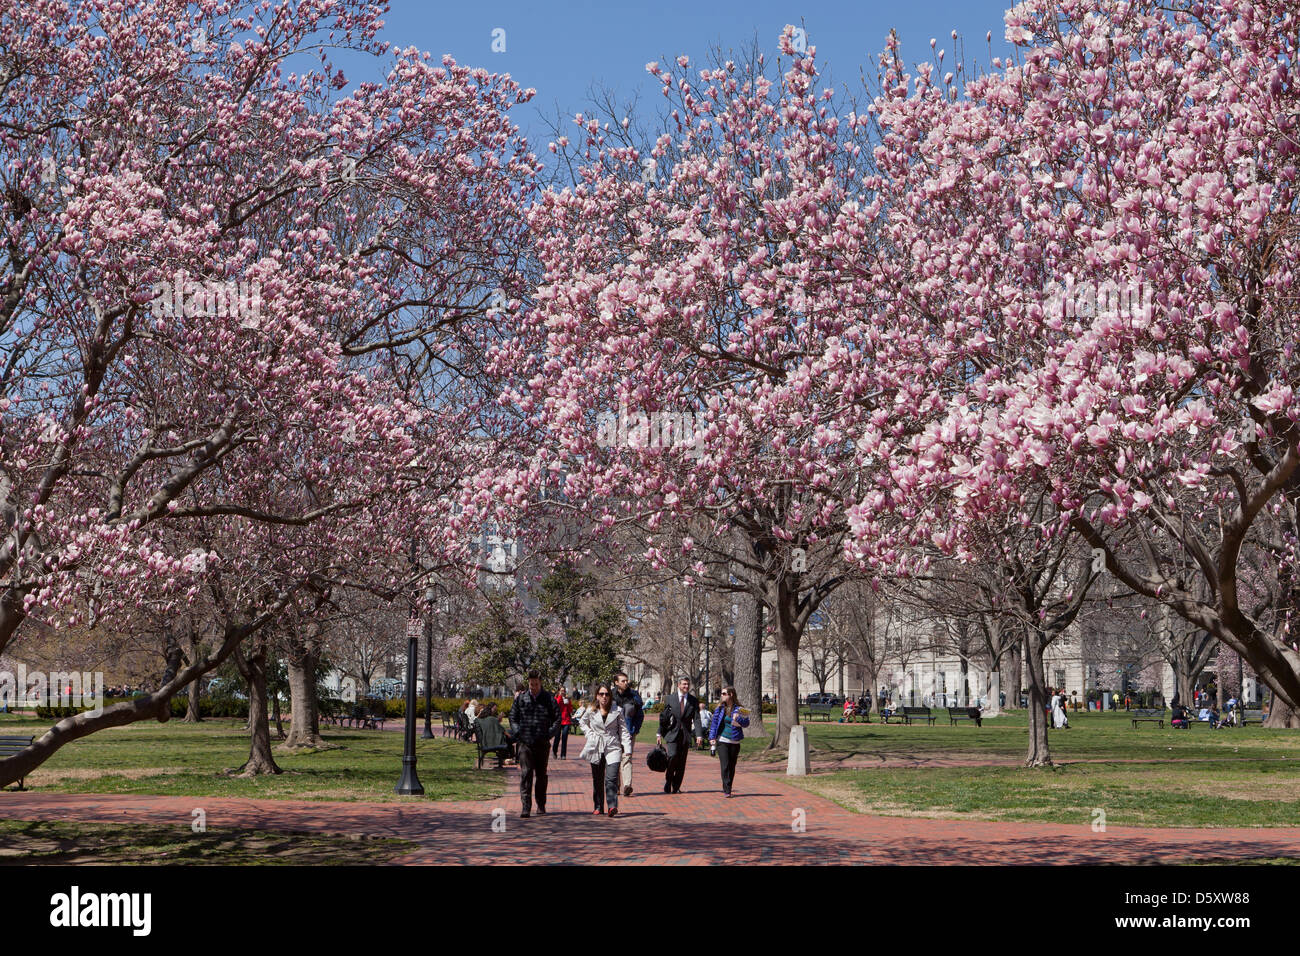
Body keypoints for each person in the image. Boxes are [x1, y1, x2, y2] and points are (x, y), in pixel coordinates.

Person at [508, 670, 560, 818]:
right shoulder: (521, 698)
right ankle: (526, 806)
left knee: (541, 775)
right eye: (531, 684)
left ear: (540, 682)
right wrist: (518, 732)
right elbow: (513, 716)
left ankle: (541, 804)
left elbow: (557, 719)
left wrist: (548, 734)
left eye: (536, 684)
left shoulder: (548, 698)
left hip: (542, 743)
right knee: (526, 773)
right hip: (525, 743)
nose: (534, 687)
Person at [580, 683, 634, 816]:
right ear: (597, 696)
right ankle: (598, 806)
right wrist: (589, 734)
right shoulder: (591, 709)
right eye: (601, 694)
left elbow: (623, 730)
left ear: (610, 696)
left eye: (607, 694)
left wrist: (627, 748)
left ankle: (612, 806)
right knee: (597, 779)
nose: (604, 697)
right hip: (596, 746)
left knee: (611, 778)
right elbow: (582, 722)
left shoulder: (617, 710)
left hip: (612, 747)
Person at [657, 676, 701, 794]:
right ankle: (668, 780)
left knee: (681, 762)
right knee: (672, 756)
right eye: (684, 684)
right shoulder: (670, 699)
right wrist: (659, 732)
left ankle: (676, 786)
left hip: (685, 735)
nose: (686, 686)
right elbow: (664, 717)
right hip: (672, 733)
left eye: (687, 684)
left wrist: (699, 735)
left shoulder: (693, 700)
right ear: (678, 685)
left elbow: (696, 719)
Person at [708, 686, 750, 797]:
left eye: (724, 693)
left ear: (731, 694)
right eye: (722, 693)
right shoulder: (720, 708)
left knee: (732, 766)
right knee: (725, 765)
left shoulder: (740, 709)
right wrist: (712, 738)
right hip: (722, 740)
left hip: (735, 742)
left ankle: (729, 786)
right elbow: (714, 724)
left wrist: (738, 718)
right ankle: (727, 789)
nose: (721, 695)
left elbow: (746, 723)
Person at [611, 671, 644, 796]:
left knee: (627, 757)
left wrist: (635, 729)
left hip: (629, 732)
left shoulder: (634, 695)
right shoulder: (610, 695)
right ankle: (616, 786)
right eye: (623, 681)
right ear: (616, 683)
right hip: (613, 732)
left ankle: (627, 785)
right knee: (615, 759)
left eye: (626, 681)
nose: (626, 683)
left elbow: (640, 715)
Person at [552, 687, 573, 758]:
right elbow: (556, 705)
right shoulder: (557, 698)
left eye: (564, 691)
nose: (563, 692)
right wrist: (560, 697)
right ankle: (554, 751)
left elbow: (570, 710)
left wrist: (568, 703)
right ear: (559, 691)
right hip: (558, 720)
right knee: (557, 737)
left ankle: (563, 754)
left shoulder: (567, 699)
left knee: (564, 737)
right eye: (561, 691)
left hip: (566, 720)